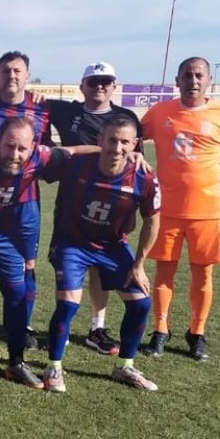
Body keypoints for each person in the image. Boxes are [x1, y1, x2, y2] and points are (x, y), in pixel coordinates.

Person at [0, 117, 96, 391]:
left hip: (4, 234)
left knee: (17, 295)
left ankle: (16, 362)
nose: (15, 154)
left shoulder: (40, 156)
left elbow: (74, 151)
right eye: (9, 146)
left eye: (22, 148)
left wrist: (125, 153)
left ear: (33, 146)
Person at [139, 56, 220, 361]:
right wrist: (138, 160)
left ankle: (197, 333)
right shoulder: (161, 112)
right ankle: (161, 330)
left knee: (202, 275)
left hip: (208, 209)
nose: (193, 81)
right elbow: (133, 134)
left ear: (209, 80)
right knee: (164, 272)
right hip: (167, 209)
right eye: (187, 75)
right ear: (177, 81)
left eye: (199, 75)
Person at [41, 117, 160, 392]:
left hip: (113, 246)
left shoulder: (144, 177)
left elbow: (153, 221)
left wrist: (139, 264)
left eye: (124, 142)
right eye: (111, 140)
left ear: (134, 145)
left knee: (141, 303)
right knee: (68, 304)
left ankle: (126, 366)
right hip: (73, 243)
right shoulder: (77, 166)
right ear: (99, 141)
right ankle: (54, 367)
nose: (117, 148)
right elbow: (64, 153)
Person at [46, 61, 142, 356]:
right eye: (93, 82)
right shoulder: (67, 111)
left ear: (114, 85)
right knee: (67, 267)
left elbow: (137, 156)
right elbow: (31, 104)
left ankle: (96, 328)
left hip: (112, 204)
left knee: (101, 268)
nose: (99, 86)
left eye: (106, 81)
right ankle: (58, 328)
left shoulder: (126, 117)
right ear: (82, 86)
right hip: (71, 203)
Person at [0, 51, 53, 349]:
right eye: (6, 71)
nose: (12, 76)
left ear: (27, 76)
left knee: (27, 264)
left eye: (18, 71)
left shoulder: (42, 109)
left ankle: (24, 325)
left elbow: (50, 153)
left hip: (25, 200)